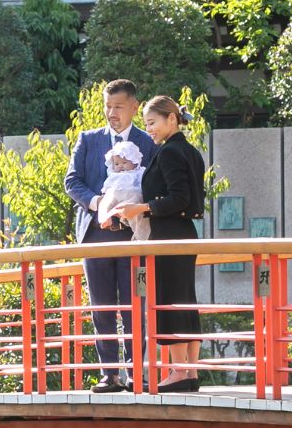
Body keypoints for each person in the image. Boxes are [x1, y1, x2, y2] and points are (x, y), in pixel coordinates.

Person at [64, 78, 157, 393]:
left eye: (118, 106)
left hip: (133, 235)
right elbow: (72, 181)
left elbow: (156, 185)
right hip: (95, 232)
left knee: (136, 304)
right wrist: (97, 204)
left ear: (134, 106)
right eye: (108, 106)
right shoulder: (88, 140)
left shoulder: (149, 143)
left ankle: (136, 373)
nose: (112, 113)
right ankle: (109, 373)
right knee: (101, 305)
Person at [113, 95, 205, 392]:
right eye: (146, 124)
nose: (149, 129)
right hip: (185, 232)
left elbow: (178, 198)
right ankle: (189, 372)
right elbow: (190, 200)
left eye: (152, 123)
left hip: (167, 234)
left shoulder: (168, 153)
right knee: (185, 300)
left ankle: (179, 371)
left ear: (172, 119)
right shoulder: (190, 151)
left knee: (168, 301)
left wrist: (138, 209)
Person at [97, 141, 149, 241]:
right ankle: (105, 218)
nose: (120, 166)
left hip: (132, 199)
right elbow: (108, 190)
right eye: (116, 164)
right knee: (107, 199)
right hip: (117, 194)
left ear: (135, 162)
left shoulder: (140, 172)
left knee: (139, 217)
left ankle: (141, 237)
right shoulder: (114, 176)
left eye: (124, 163)